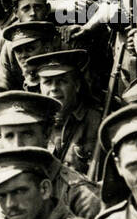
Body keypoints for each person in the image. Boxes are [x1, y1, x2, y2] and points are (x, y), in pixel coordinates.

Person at [0, 90, 103, 219]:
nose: (17, 145)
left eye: (27, 134)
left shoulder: (78, 193)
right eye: (9, 136)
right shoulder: (9, 185)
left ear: (47, 134)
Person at [30, 48, 102, 176]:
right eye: (47, 82)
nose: (54, 88)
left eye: (61, 81)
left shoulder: (96, 121)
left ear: (77, 85)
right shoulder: (34, 123)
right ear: (40, 87)